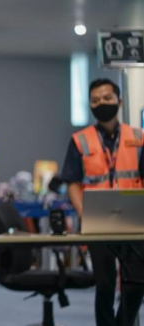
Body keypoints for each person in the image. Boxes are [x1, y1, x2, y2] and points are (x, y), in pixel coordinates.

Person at [61, 78, 144, 326]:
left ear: (118, 101)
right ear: (90, 106)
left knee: (137, 283)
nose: (102, 103)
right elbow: (73, 183)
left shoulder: (139, 137)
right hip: (98, 224)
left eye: (107, 98)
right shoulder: (80, 140)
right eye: (95, 100)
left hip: (133, 223)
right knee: (104, 285)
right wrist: (84, 214)